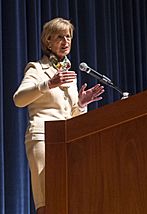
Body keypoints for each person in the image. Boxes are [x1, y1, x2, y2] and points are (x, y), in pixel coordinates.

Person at [13, 17, 104, 214]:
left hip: (67, 141)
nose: (66, 41)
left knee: (68, 199)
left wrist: (81, 104)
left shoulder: (68, 75)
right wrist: (48, 84)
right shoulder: (37, 69)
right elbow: (18, 99)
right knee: (47, 201)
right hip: (43, 138)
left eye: (69, 37)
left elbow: (70, 114)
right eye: (60, 37)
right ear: (48, 41)